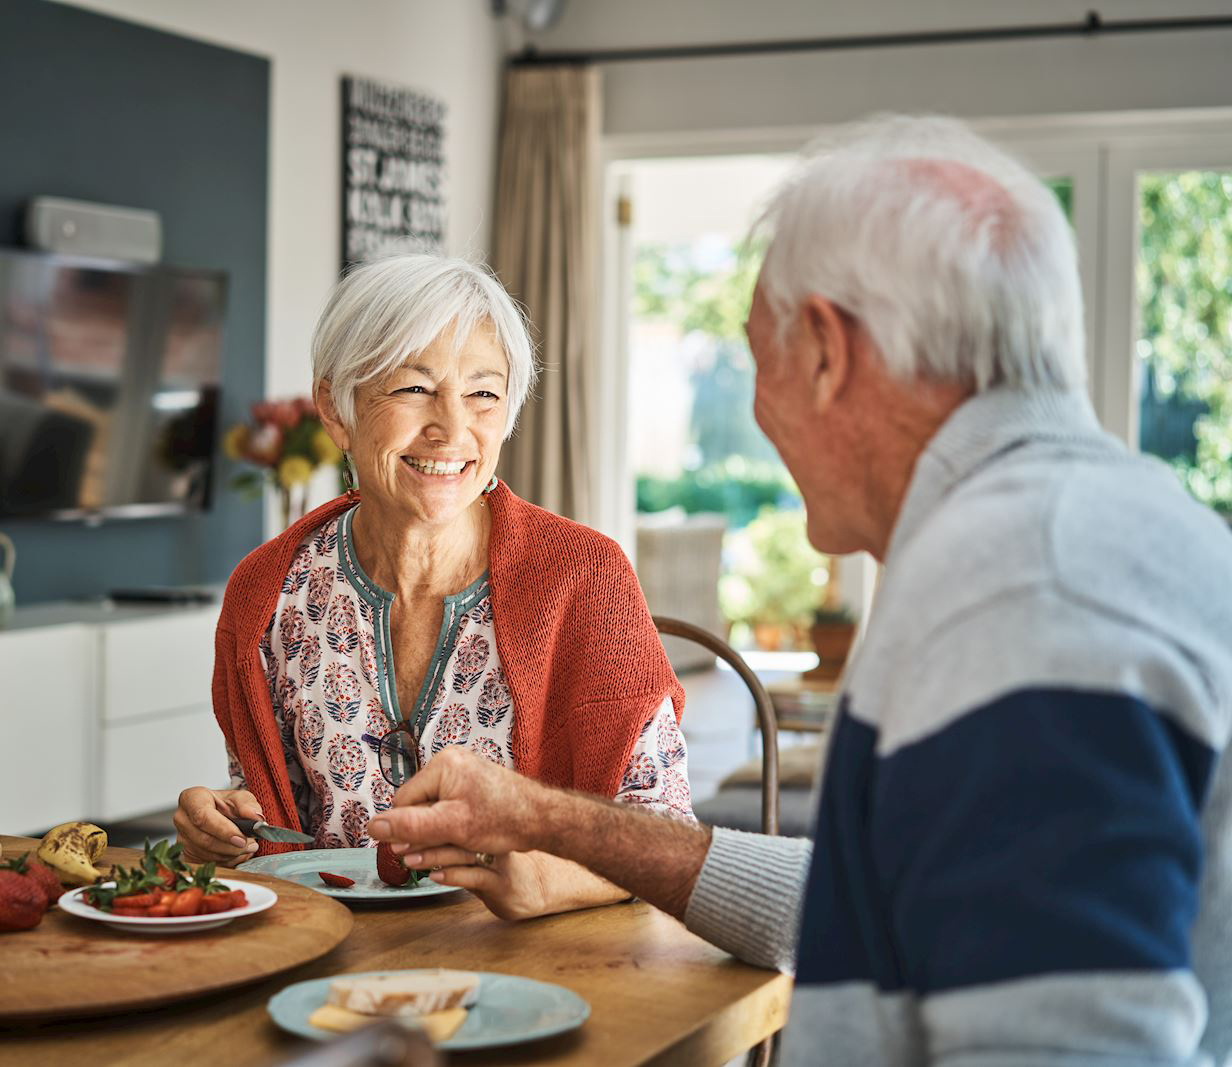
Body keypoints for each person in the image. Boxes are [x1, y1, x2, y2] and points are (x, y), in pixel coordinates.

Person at [369, 116, 1232, 1064]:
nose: (755, 405)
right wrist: (546, 818)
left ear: (823, 349)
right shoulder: (1078, 529)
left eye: (756, 355)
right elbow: (883, 894)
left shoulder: (1023, 585)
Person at [176, 254, 695, 921]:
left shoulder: (584, 575)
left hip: (542, 966)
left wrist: (550, 878)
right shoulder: (268, 593)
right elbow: (276, 811)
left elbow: (666, 832)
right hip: (330, 967)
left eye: (483, 392)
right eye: (414, 388)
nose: (452, 429)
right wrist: (226, 821)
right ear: (337, 409)